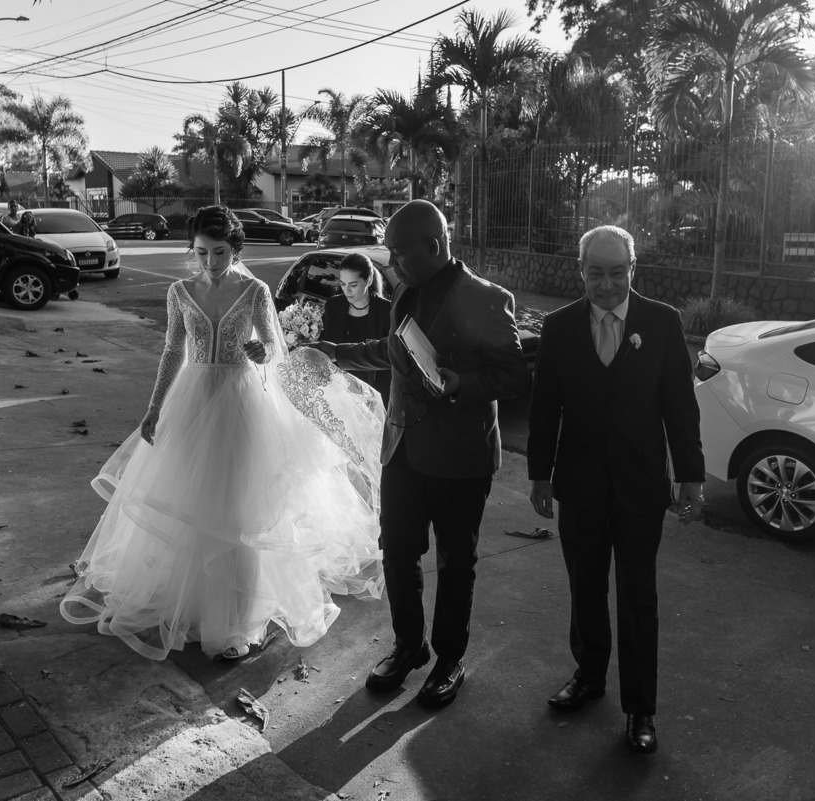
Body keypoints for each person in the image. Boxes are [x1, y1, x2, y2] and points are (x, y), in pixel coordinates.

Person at [60, 205, 386, 661]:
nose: (210, 262)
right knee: (186, 502)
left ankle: (235, 621)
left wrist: (261, 347)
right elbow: (173, 349)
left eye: (219, 252)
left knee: (238, 508)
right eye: (201, 253)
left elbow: (273, 346)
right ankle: (186, 608)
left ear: (235, 250)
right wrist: (154, 407)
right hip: (191, 400)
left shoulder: (253, 290)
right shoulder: (179, 291)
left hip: (241, 400)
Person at [314, 199, 529, 709]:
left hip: (459, 456)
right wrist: (336, 354)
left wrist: (462, 384)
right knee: (398, 551)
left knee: (456, 562)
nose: (390, 263)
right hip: (403, 446)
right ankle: (410, 646)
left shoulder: (487, 299)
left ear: (433, 246)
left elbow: (514, 375)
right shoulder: (406, 289)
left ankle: (449, 660)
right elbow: (394, 354)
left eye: (397, 252)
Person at [527, 224, 705, 755]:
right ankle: (588, 675)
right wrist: (539, 474)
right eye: (596, 272)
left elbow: (679, 405)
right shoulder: (559, 327)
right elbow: (545, 408)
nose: (606, 284)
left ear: (633, 270)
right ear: (580, 270)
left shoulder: (662, 322)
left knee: (637, 595)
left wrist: (690, 474)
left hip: (639, 487)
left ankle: (641, 708)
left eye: (617, 272)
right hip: (579, 485)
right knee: (584, 586)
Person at [319, 253, 392, 405]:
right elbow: (325, 344)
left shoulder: (387, 311)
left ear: (369, 280)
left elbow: (388, 357)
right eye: (343, 284)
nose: (347, 291)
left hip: (374, 396)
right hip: (339, 395)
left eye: (353, 285)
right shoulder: (334, 306)